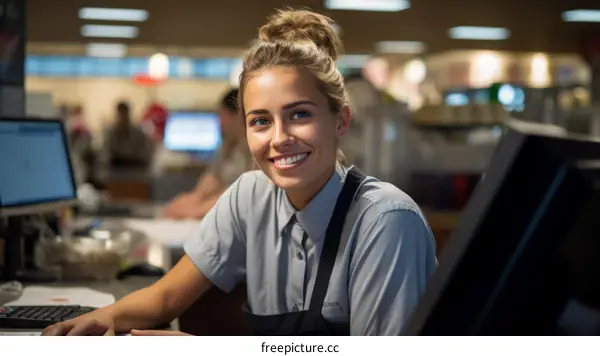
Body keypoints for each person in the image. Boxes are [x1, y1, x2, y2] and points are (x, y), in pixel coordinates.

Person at [42, 8, 436, 337]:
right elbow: (164, 299)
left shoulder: (386, 222)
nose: (279, 138)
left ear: (341, 121)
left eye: (299, 114)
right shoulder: (250, 195)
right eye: (260, 121)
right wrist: (91, 322)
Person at [162, 88, 252, 220]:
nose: (219, 123)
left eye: (222, 116)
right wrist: (193, 199)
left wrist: (196, 210)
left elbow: (241, 194)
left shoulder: (254, 151)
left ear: (237, 116)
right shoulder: (228, 146)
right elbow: (212, 179)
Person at [102, 101, 154, 170]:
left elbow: (145, 155)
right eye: (121, 114)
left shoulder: (139, 134)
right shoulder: (111, 134)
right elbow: (105, 155)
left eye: (125, 114)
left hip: (136, 170)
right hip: (115, 172)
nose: (123, 118)